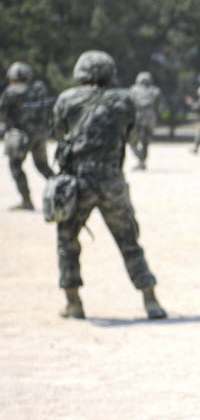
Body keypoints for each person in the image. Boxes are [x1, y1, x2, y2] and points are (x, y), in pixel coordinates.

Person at [51, 50, 166, 320]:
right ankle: (150, 299)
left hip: (78, 182)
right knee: (129, 241)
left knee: (67, 242)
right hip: (112, 180)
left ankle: (74, 302)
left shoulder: (67, 98)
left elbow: (57, 132)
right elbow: (130, 134)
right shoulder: (125, 99)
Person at [1, 61, 54, 210]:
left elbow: (2, 112)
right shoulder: (39, 88)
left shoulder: (11, 91)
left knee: (15, 166)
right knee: (43, 166)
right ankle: (64, 192)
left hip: (20, 136)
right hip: (41, 134)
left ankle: (26, 201)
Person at [127, 71, 162, 170]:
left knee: (132, 139)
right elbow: (157, 105)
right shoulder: (155, 90)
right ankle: (142, 160)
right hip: (150, 115)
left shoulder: (133, 90)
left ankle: (140, 158)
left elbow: (130, 104)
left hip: (138, 115)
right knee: (146, 140)